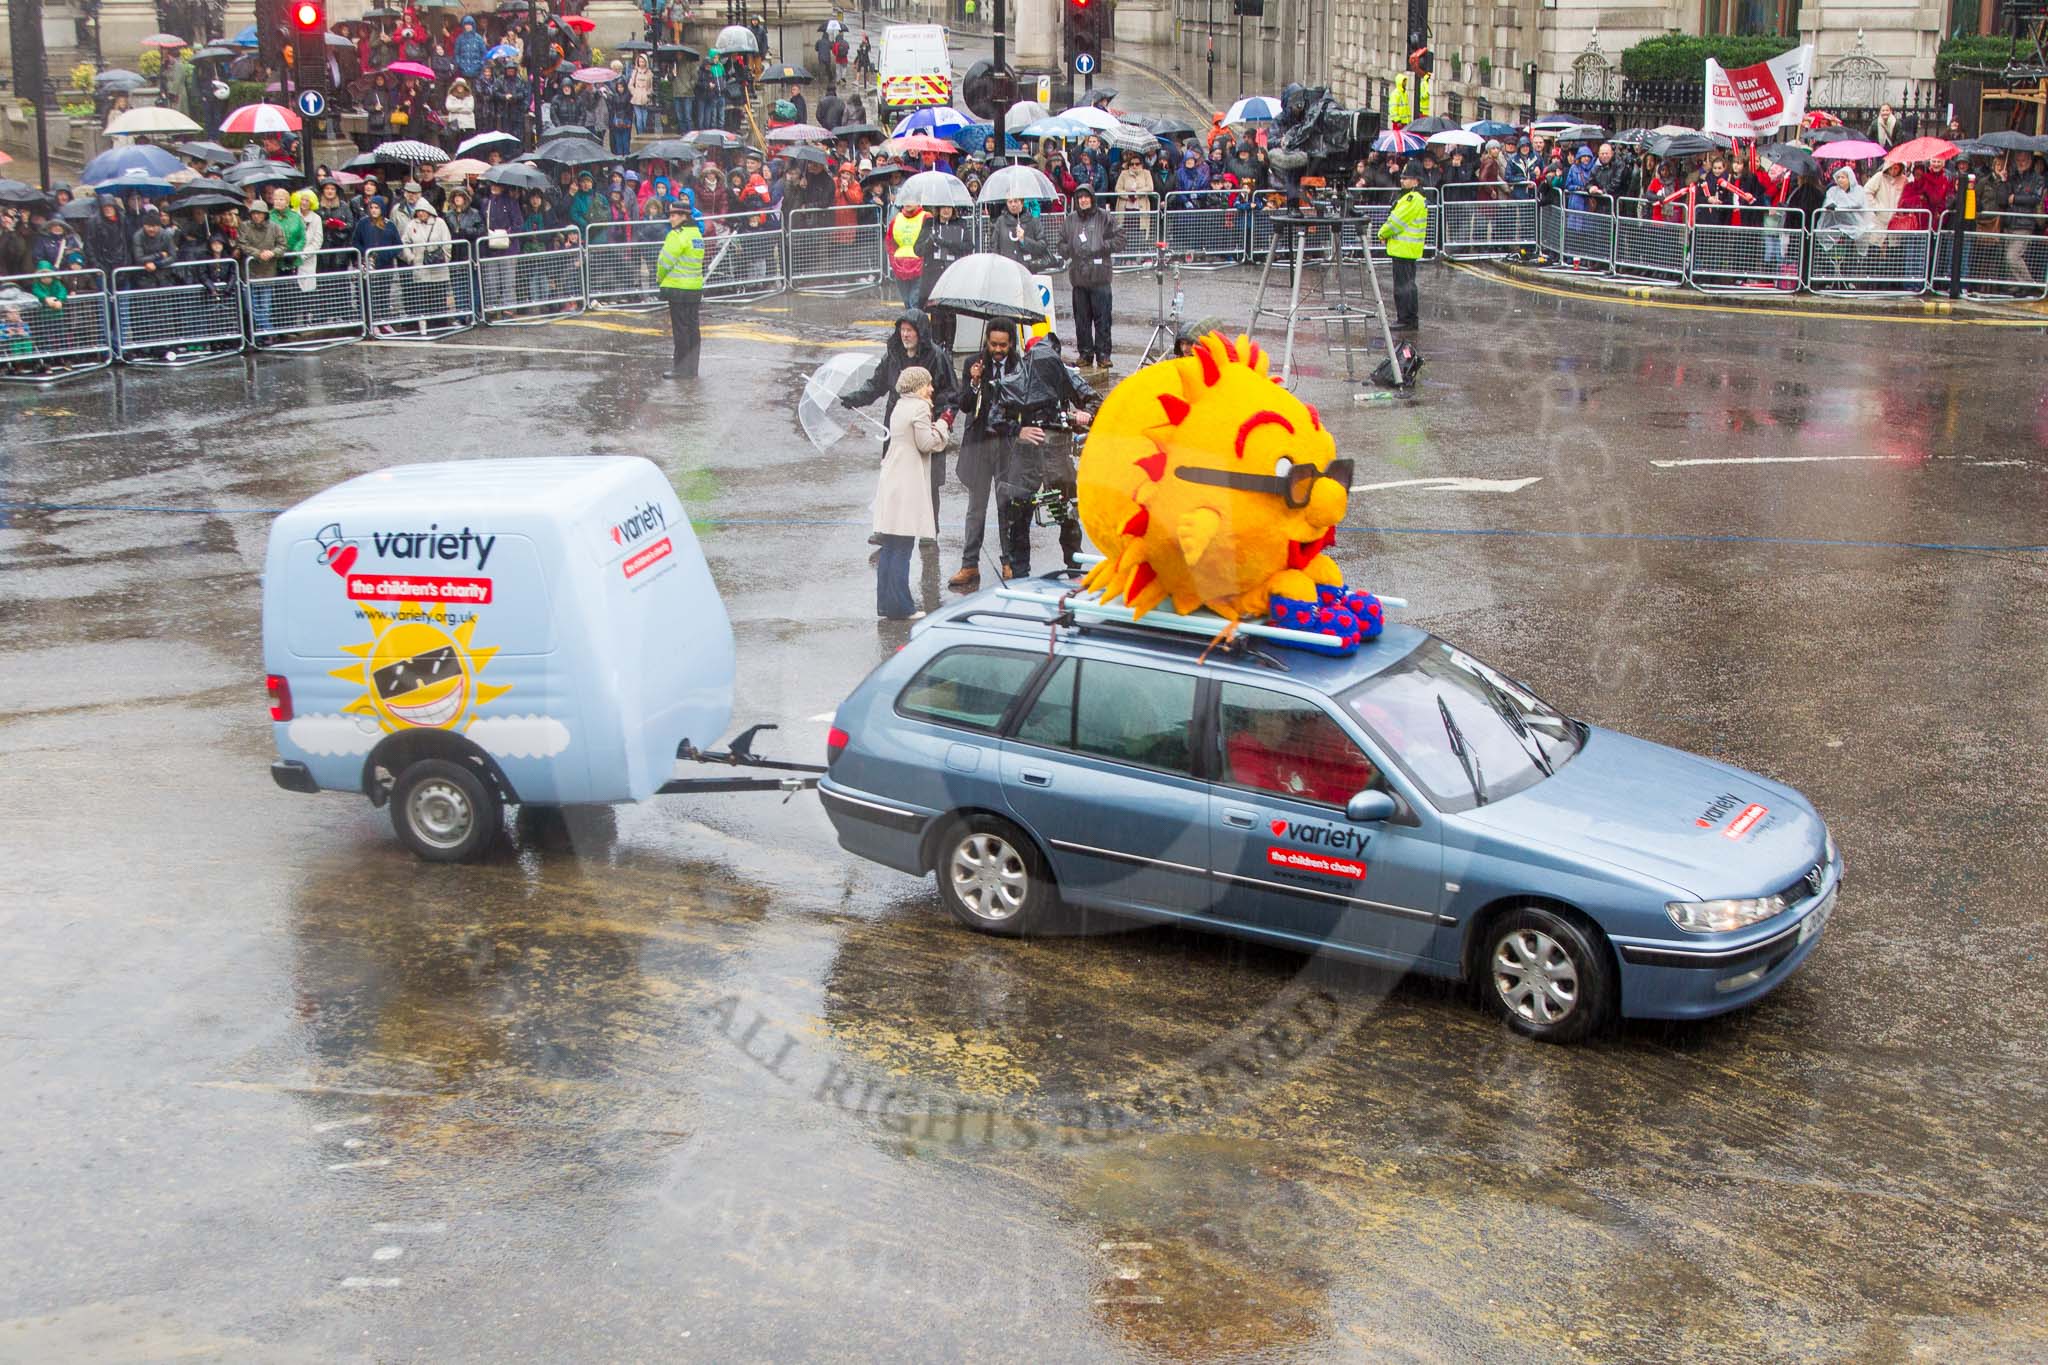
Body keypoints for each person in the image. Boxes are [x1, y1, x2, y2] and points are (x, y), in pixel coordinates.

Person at [841, 308, 957, 531]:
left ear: (920, 333)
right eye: (902, 330)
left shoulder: (937, 357)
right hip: (898, 428)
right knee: (893, 479)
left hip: (925, 425)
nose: (905, 335)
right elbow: (876, 384)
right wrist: (855, 398)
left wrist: (943, 420)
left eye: (910, 330)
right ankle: (890, 530)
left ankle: (929, 532)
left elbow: (950, 394)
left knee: (928, 483)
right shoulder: (893, 355)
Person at [991, 332, 1096, 578]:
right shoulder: (1017, 378)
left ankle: (1074, 568)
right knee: (1019, 515)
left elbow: (1095, 401)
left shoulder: (1065, 375)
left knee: (1067, 515)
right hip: (1026, 455)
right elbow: (994, 417)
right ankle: (1020, 572)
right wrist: (1019, 431)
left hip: (1057, 454)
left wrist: (1083, 416)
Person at [950, 317, 1023, 591]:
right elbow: (964, 405)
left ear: (1011, 343)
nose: (998, 350)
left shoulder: (1019, 366)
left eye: (1003, 345)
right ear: (987, 342)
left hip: (1006, 446)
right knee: (976, 509)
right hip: (980, 445)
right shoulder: (974, 364)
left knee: (1007, 507)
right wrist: (974, 381)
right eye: (993, 344)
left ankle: (1009, 562)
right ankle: (969, 564)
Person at [873, 365, 949, 621]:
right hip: (907, 481)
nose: (931, 389)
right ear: (918, 386)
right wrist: (943, 425)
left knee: (891, 545)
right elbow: (926, 443)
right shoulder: (919, 407)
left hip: (892, 478)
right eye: (928, 384)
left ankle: (886, 604)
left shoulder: (900, 405)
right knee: (903, 546)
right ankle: (901, 607)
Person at [1058, 185, 1124, 369]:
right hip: (1079, 278)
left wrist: (1103, 245)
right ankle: (1085, 354)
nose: (1083, 200)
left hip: (1100, 277)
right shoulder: (1070, 220)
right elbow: (1061, 243)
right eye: (1080, 198)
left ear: (1092, 198)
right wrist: (1069, 248)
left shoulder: (1104, 217)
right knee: (1082, 320)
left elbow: (1120, 239)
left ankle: (1103, 355)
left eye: (1086, 197)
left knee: (1103, 319)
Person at [656, 201, 705, 377]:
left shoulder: (676, 235)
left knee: (681, 330)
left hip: (677, 289)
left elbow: (664, 262)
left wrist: (659, 278)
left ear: (684, 216)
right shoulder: (697, 235)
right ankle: (692, 368)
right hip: (694, 288)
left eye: (673, 215)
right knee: (693, 329)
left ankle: (681, 369)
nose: (671, 219)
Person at [1378, 164, 1427, 331]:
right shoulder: (1415, 198)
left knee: (1402, 287)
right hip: (1408, 249)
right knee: (1409, 286)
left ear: (1416, 181)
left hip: (1403, 249)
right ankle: (1410, 318)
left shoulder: (1411, 199)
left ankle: (1405, 319)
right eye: (1402, 177)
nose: (1402, 180)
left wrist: (1382, 233)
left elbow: (1396, 222)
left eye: (1406, 178)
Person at [887, 194, 929, 306]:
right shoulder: (896, 218)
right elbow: (890, 241)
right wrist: (893, 261)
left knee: (914, 302)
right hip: (900, 266)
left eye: (912, 199)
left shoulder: (926, 217)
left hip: (920, 266)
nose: (908, 202)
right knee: (906, 301)